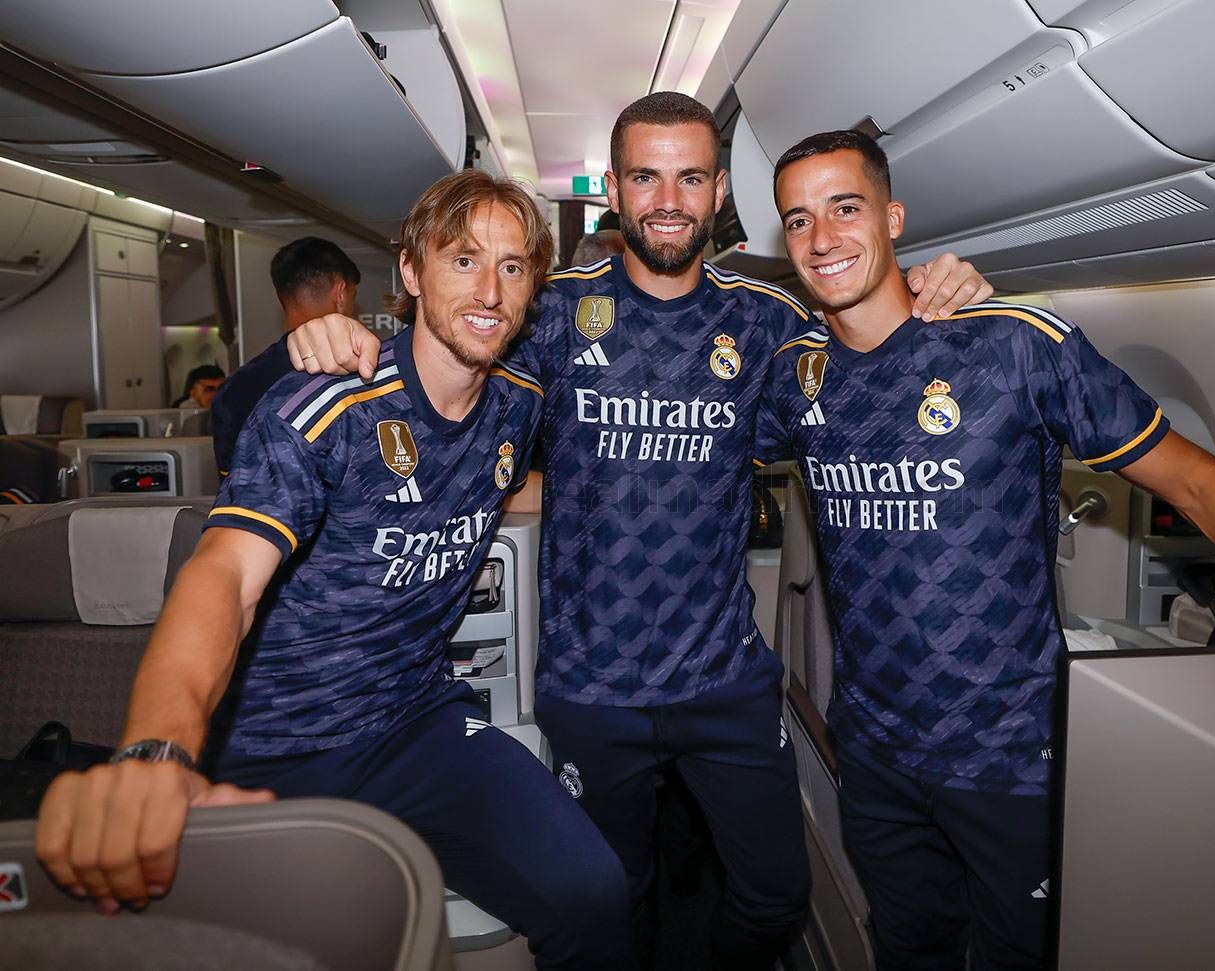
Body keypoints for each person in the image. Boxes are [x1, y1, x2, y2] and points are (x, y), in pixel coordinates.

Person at [752, 129, 1215, 969]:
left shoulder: (1014, 346)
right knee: (908, 949)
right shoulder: (794, 375)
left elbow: (1198, 484)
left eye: (844, 208)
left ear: (891, 217)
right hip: (875, 751)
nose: (822, 238)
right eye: (800, 219)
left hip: (1009, 757)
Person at [285, 92, 993, 971]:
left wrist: (933, 285)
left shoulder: (767, 320)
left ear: (718, 191)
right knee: (613, 900)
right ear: (614, 189)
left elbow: (867, 357)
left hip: (724, 679)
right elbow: (448, 375)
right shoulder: (546, 312)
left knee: (774, 893)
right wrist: (345, 333)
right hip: (593, 681)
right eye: (646, 176)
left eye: (690, 177)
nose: (668, 198)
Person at [35, 171, 632, 970]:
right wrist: (155, 754)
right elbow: (225, 576)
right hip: (273, 748)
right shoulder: (326, 409)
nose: (490, 288)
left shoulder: (518, 399)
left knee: (592, 890)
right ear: (411, 274)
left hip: (416, 722)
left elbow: (506, 482)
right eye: (463, 260)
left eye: (514, 266)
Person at [210, 237, 361, 474]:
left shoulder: (234, 390)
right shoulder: (365, 377)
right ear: (341, 293)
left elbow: (232, 487)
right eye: (353, 297)